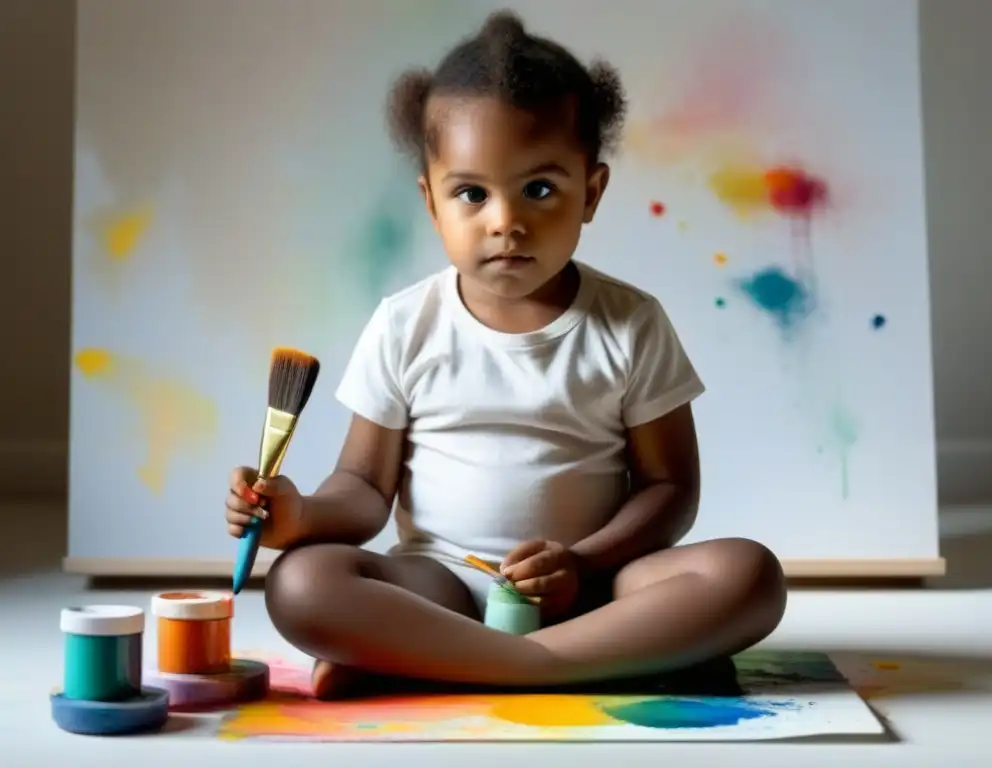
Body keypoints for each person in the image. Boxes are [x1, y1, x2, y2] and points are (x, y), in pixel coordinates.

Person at [224, 9, 786, 700]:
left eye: (540, 189)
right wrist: (301, 515)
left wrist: (582, 561)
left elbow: (671, 490)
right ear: (432, 202)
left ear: (592, 192)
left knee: (749, 574)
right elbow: (366, 489)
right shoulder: (406, 325)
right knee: (301, 583)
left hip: (591, 589)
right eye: (471, 193)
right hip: (442, 587)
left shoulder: (630, 323)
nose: (506, 221)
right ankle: (586, 663)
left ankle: (439, 662)